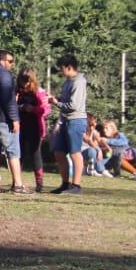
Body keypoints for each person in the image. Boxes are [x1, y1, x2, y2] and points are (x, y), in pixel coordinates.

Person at [0, 49, 30, 194]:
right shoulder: (4, 75)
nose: (11, 65)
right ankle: (18, 185)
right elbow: (8, 100)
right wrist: (14, 119)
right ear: (2, 61)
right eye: (10, 61)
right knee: (13, 150)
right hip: (2, 119)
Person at [51, 54, 89, 195]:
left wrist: (57, 103)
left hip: (76, 121)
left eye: (62, 68)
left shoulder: (78, 82)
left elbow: (74, 105)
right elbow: (66, 100)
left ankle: (76, 186)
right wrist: (57, 99)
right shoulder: (68, 81)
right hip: (65, 120)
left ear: (69, 67)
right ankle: (65, 184)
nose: (61, 72)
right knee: (59, 153)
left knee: (75, 153)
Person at [16, 67, 51, 192]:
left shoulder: (39, 92)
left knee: (36, 154)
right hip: (20, 127)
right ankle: (17, 182)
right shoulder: (17, 92)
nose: (25, 84)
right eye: (22, 81)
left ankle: (40, 184)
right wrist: (19, 108)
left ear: (33, 80)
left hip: (35, 127)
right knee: (18, 154)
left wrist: (33, 109)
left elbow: (47, 110)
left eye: (27, 81)